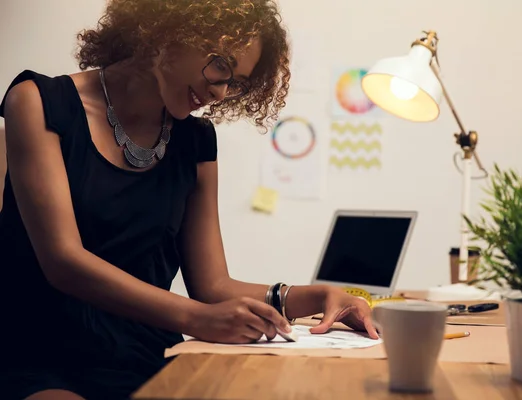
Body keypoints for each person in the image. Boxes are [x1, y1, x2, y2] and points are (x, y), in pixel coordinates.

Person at [0, 1, 378, 399]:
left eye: (236, 83)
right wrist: (198, 318)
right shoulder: (38, 101)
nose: (220, 91)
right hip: (42, 356)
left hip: (147, 354)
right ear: (168, 30)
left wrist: (312, 296)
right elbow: (63, 262)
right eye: (220, 65)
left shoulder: (195, 140)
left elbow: (212, 284)